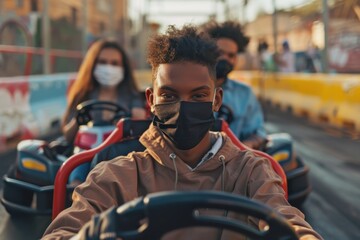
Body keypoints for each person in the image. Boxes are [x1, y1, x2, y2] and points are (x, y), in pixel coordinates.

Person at [42, 25, 322, 240]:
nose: (184, 107)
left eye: (199, 96)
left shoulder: (252, 171)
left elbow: (290, 222)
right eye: (169, 95)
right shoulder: (117, 174)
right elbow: (67, 229)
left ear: (216, 100)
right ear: (151, 100)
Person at [62, 39, 147, 183]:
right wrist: (78, 120)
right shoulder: (83, 95)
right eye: (102, 62)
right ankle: (76, 199)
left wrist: (138, 116)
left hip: (118, 153)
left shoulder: (133, 96)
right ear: (93, 65)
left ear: (123, 68)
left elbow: (141, 122)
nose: (108, 68)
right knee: (77, 176)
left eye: (114, 64)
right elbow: (68, 135)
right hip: (86, 151)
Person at [202, 21, 267, 149]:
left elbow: (258, 132)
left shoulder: (244, 93)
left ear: (236, 59)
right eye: (220, 53)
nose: (225, 58)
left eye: (231, 55)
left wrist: (242, 149)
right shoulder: (189, 88)